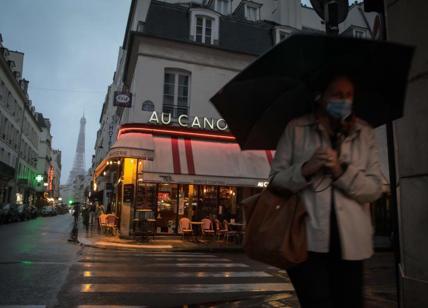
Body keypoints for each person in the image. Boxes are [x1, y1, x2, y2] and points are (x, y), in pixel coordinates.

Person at [269, 75, 383, 308]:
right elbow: (275, 181)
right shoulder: (297, 129)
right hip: (305, 240)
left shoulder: (364, 132)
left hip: (351, 243)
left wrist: (341, 171)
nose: (344, 100)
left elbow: (374, 189)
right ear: (320, 97)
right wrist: (305, 170)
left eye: (349, 95)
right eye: (337, 94)